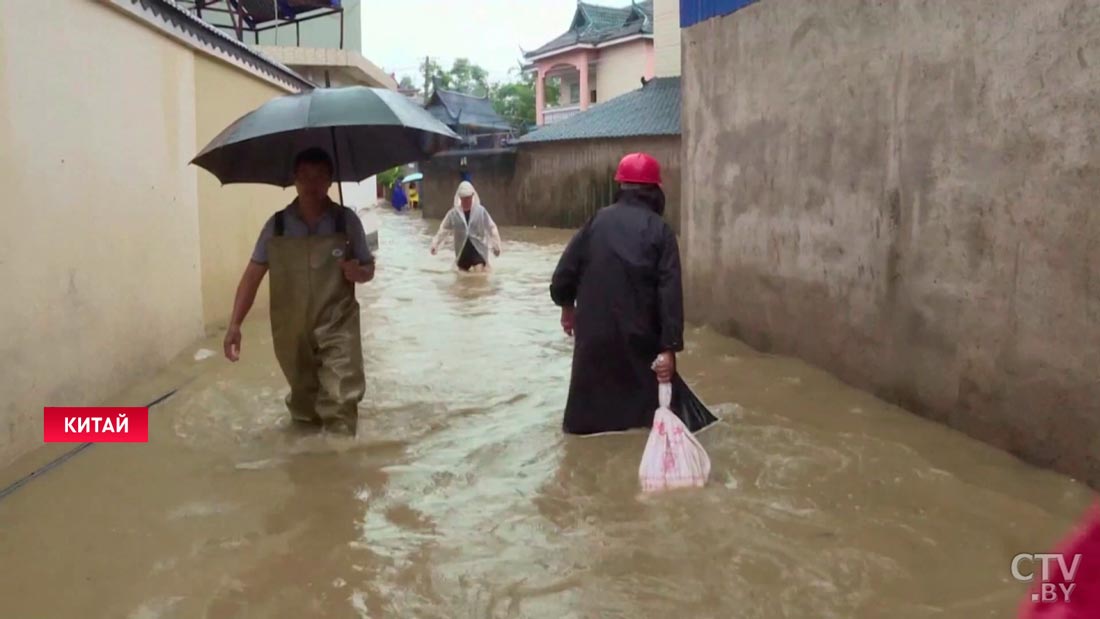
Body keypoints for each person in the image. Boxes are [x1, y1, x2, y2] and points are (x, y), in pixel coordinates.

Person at [549, 152, 718, 435]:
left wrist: (567, 306)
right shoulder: (661, 232)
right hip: (640, 342)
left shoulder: (596, 222)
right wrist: (669, 348)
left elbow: (564, 273)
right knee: (649, 424)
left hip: (593, 343)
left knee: (589, 430)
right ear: (655, 192)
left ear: (621, 188)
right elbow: (670, 294)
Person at [223, 147, 375, 435]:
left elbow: (368, 268)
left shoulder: (346, 222)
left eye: (319, 177)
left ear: (330, 181)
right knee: (305, 408)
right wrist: (235, 324)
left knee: (342, 399)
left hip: (337, 325)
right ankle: (306, 466)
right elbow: (252, 276)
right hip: (291, 329)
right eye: (305, 177)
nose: (311, 185)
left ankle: (342, 470)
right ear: (294, 179)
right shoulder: (277, 226)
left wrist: (359, 272)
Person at [430, 181, 502, 272]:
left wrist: (496, 245)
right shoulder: (453, 214)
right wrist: (435, 244)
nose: (466, 201)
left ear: (472, 196)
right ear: (460, 198)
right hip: (462, 250)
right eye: (464, 198)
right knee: (462, 277)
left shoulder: (480, 211)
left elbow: (491, 227)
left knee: (479, 274)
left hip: (478, 249)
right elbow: (444, 229)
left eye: (468, 198)